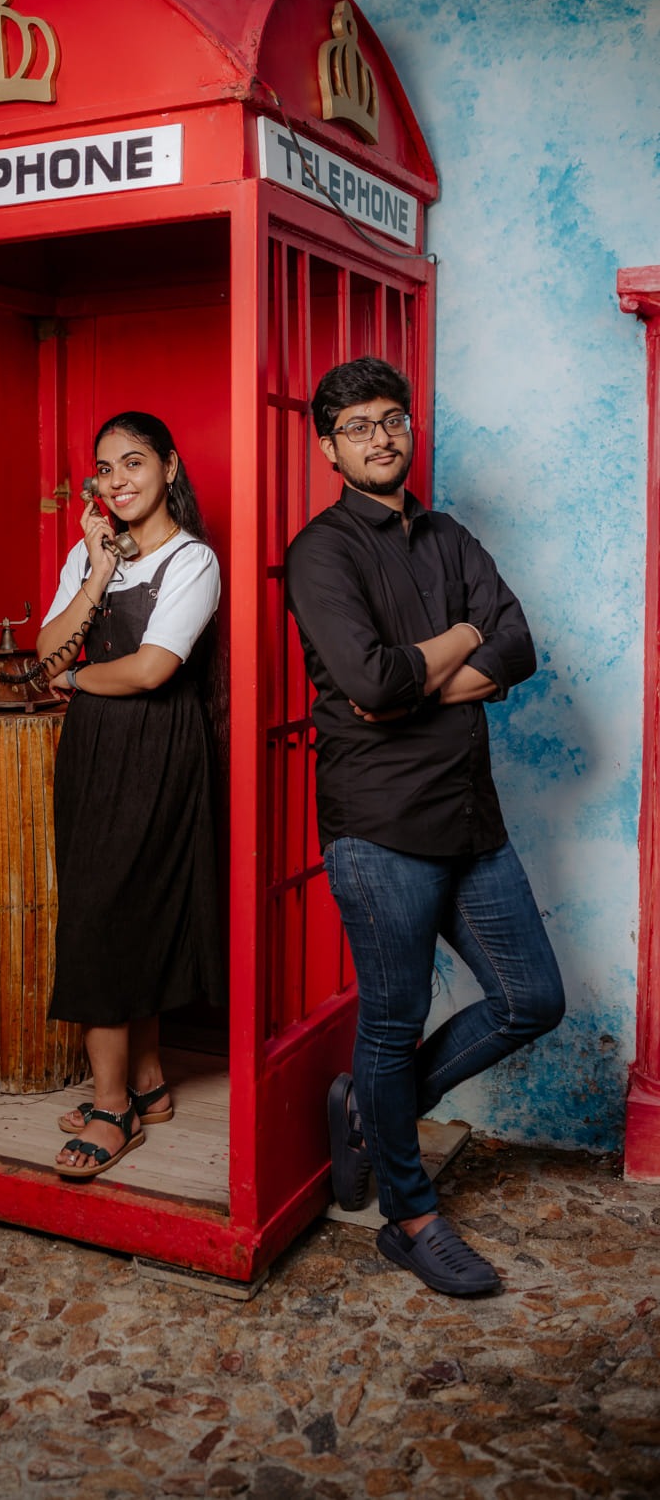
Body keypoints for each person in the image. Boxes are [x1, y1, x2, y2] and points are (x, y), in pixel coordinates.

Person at [286, 357, 564, 1296]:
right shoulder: (322, 551)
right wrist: (454, 646)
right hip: (379, 829)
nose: (380, 435)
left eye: (392, 419)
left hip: (470, 819)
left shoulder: (450, 537)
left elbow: (519, 642)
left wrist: (418, 674)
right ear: (328, 446)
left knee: (533, 998)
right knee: (393, 1020)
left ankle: (382, 1106)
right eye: (358, 424)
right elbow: (370, 685)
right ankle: (408, 1217)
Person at [36, 411, 225, 1179]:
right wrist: (96, 567)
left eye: (134, 463)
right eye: (105, 468)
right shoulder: (92, 559)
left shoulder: (194, 560)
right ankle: (146, 1085)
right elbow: (45, 650)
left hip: (156, 746)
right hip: (92, 750)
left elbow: (151, 669)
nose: (118, 481)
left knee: (109, 913)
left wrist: (76, 680)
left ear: (170, 467)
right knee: (113, 903)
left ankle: (110, 1106)